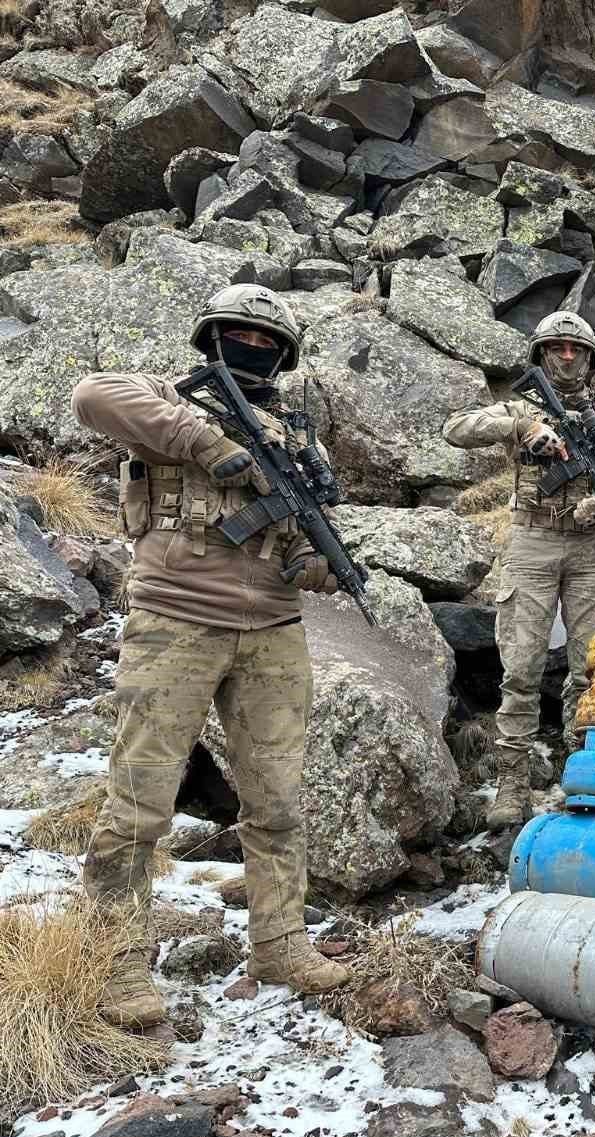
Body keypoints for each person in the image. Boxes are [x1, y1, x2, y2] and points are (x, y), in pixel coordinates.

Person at [74, 284, 352, 1030]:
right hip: (176, 620)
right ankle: (119, 961)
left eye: (267, 340)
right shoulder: (166, 399)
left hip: (274, 630)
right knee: (138, 802)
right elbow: (91, 396)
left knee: (279, 800)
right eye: (239, 333)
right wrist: (208, 445)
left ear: (285, 355)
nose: (252, 347)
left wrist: (316, 565)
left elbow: (306, 537)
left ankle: (280, 943)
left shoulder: (298, 440)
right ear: (210, 337)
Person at [443, 311, 595, 831]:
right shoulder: (522, 409)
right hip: (532, 543)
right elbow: (456, 429)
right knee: (521, 667)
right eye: (556, 347)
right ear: (540, 355)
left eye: (576, 349)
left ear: (590, 357)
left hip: (593, 551)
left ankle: (584, 769)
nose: (567, 356)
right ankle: (512, 785)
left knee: (593, 667)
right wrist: (522, 425)